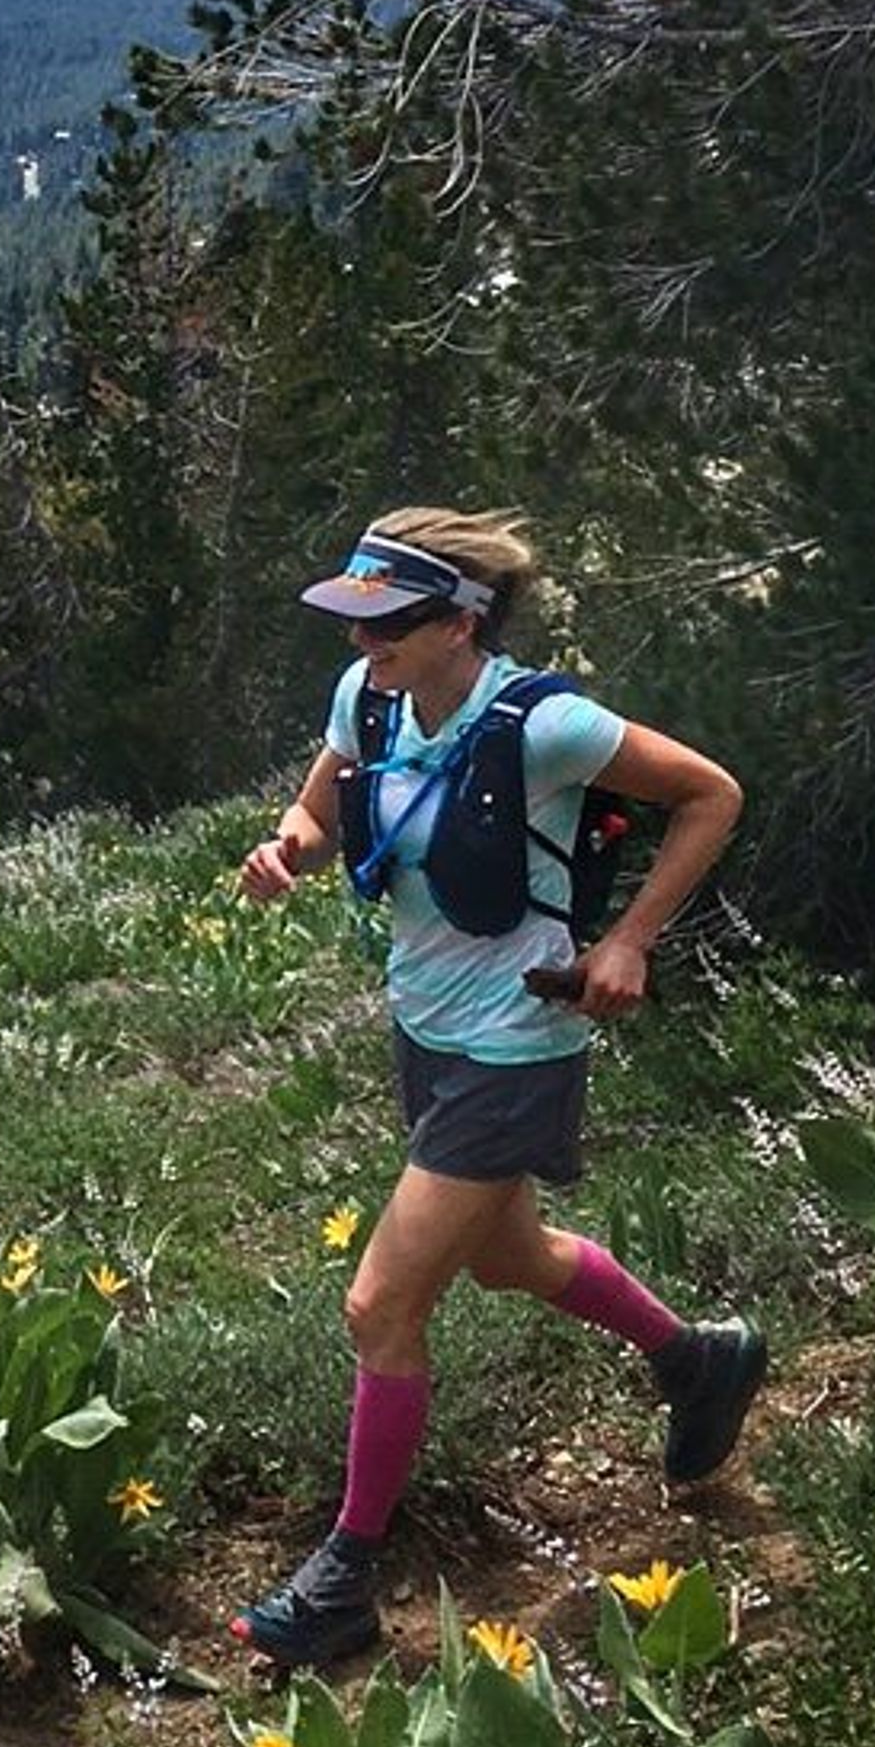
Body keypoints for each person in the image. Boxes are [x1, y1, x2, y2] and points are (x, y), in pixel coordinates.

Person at [225, 506, 759, 1672]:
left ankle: (345, 1577)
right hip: (425, 1027)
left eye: (391, 624)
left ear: (460, 620)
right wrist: (287, 851)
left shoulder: (546, 723)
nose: (368, 643)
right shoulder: (364, 699)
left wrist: (629, 940)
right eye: (357, 622)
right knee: (509, 1256)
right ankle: (699, 1359)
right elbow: (318, 811)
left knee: (381, 1307)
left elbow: (711, 792)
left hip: (521, 1037)